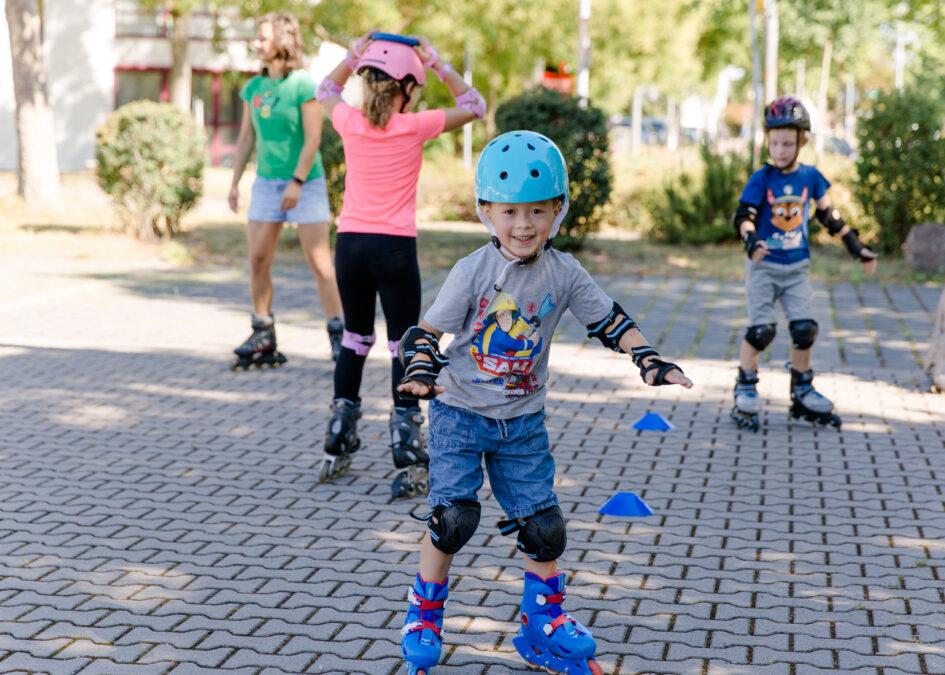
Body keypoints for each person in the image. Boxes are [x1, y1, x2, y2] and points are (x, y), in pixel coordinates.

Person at [393, 130, 692, 675]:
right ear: (487, 212)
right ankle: (424, 616)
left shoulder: (564, 272)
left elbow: (609, 320)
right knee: (451, 519)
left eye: (538, 211)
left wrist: (647, 357)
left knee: (542, 526)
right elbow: (427, 332)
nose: (524, 225)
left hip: (523, 424)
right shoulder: (473, 271)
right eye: (510, 212)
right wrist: (418, 368)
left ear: (559, 211)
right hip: (460, 415)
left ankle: (543, 625)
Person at [314, 32, 485, 489]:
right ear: (407, 87)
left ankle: (339, 431)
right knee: (401, 345)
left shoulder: (349, 121)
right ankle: (406, 440)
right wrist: (438, 61)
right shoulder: (415, 125)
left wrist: (352, 55)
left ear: (369, 82)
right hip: (393, 248)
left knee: (354, 337)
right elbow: (476, 105)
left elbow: (324, 91)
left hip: (350, 244)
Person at [730, 96, 877, 433]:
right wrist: (751, 240)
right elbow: (744, 216)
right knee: (761, 330)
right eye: (775, 142)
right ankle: (746, 383)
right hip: (764, 267)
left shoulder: (810, 177)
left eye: (787, 143)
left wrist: (858, 248)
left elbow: (830, 217)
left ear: (802, 142)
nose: (780, 150)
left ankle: (801, 388)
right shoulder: (762, 178)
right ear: (767, 141)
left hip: (796, 268)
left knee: (805, 328)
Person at [228, 12, 343, 370]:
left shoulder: (303, 85)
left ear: (282, 41)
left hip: (304, 184)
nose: (256, 44)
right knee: (258, 260)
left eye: (263, 38)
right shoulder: (254, 88)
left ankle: (341, 338)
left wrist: (296, 182)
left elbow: (313, 139)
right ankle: (263, 332)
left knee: (320, 264)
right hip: (265, 183)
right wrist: (234, 183)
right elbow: (247, 137)